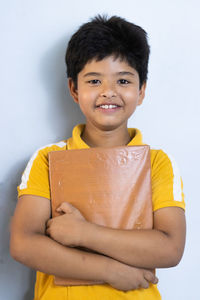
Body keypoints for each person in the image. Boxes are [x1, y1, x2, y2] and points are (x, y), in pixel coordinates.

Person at [10, 15, 186, 300]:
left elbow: (170, 248)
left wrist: (83, 233)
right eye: (94, 80)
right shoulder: (49, 159)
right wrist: (110, 270)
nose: (108, 92)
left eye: (123, 80)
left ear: (141, 91)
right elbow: (23, 243)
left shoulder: (157, 162)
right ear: (74, 90)